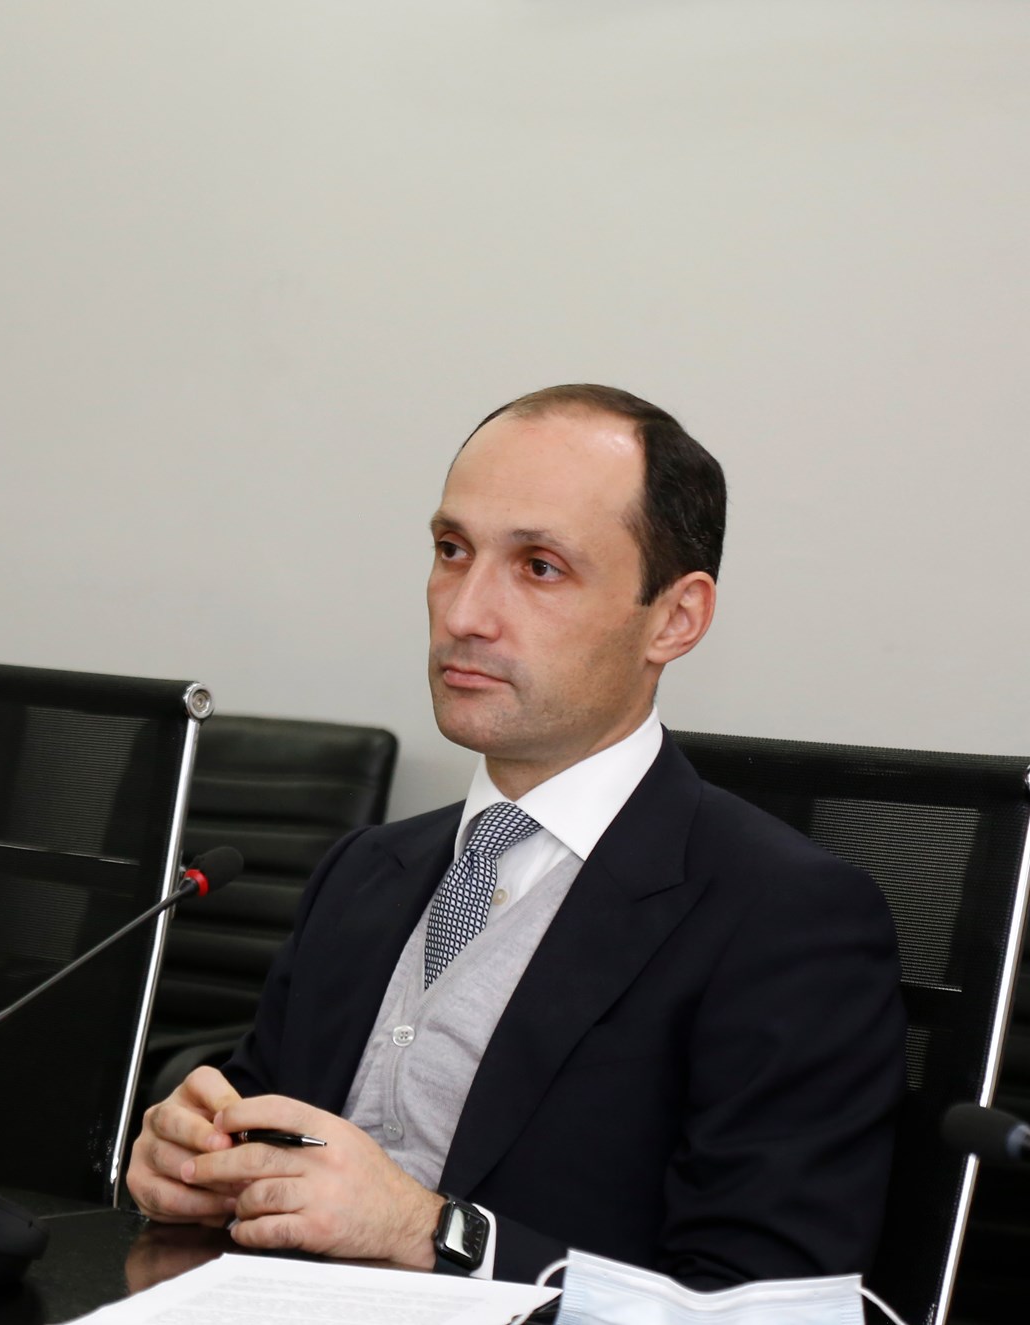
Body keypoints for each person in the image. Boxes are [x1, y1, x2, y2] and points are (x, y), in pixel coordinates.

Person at [125, 385, 904, 1284]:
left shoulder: (788, 917)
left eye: (540, 567)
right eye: (451, 550)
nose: (464, 613)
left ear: (675, 618)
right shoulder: (365, 870)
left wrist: (436, 1233)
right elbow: (256, 1138)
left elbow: (764, 1302)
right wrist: (194, 1164)